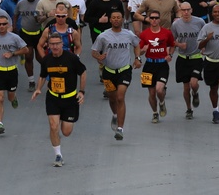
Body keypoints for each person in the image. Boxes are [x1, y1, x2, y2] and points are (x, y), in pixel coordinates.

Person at [31, 34, 88, 167]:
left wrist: (81, 91)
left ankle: (63, 120)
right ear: (48, 46)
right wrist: (38, 88)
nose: (55, 46)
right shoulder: (46, 60)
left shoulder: (72, 58)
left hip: (70, 99)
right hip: (53, 98)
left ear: (62, 44)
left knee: (66, 132)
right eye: (52, 44)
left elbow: (83, 73)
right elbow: (43, 76)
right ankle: (58, 155)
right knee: (53, 126)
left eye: (57, 43)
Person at [91, 10, 141, 140]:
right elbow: (94, 51)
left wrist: (138, 58)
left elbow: (137, 45)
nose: (116, 19)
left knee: (120, 97)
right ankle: (115, 114)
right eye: (114, 17)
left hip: (124, 70)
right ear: (110, 20)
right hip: (108, 72)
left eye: (119, 17)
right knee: (112, 98)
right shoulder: (103, 36)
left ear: (122, 19)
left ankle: (120, 129)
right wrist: (99, 57)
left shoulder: (128, 34)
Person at [0, 16, 30, 134]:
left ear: (7, 25)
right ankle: (0, 123)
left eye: (4, 24)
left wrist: (13, 53)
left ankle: (14, 97)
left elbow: (26, 50)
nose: (1, 26)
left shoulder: (14, 38)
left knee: (10, 97)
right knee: (0, 98)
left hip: (11, 71)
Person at [139, 10, 176, 123]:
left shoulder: (166, 33)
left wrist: (170, 54)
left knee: (159, 89)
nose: (154, 20)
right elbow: (138, 51)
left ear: (159, 20)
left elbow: (172, 45)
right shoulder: (144, 34)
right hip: (149, 65)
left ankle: (162, 102)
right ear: (149, 19)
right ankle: (155, 113)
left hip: (162, 65)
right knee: (151, 92)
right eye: (152, 18)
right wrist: (142, 51)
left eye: (156, 18)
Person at [171, 1, 205, 119]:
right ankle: (189, 109)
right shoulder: (176, 25)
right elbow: (172, 40)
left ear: (191, 10)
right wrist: (180, 45)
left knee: (194, 83)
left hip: (196, 57)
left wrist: (204, 46)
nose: (185, 12)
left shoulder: (199, 22)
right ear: (180, 11)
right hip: (182, 59)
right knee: (186, 87)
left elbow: (205, 36)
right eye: (183, 10)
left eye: (188, 10)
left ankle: (195, 93)